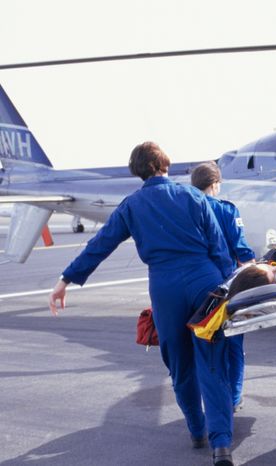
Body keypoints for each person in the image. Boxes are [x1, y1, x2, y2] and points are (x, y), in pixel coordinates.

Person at [48, 142, 237, 466]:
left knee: (179, 364)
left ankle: (196, 431)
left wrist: (66, 279)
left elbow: (101, 244)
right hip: (203, 280)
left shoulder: (131, 205)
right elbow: (218, 248)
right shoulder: (193, 196)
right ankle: (221, 446)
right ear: (164, 164)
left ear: (138, 170)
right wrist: (226, 291)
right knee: (213, 362)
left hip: (165, 287)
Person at [191, 161, 255, 413]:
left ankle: (212, 399)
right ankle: (233, 398)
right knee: (233, 344)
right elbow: (241, 249)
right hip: (225, 286)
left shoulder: (185, 210)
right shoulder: (227, 210)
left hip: (194, 285)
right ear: (215, 185)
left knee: (205, 346)